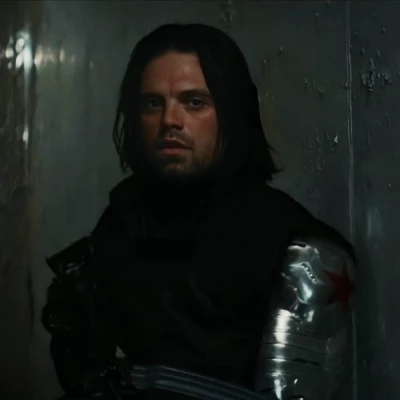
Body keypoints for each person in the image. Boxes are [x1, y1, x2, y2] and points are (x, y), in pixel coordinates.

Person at [42, 23, 356, 400]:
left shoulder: (297, 247)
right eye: (153, 103)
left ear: (232, 114)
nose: (169, 121)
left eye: (194, 102)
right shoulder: (123, 219)